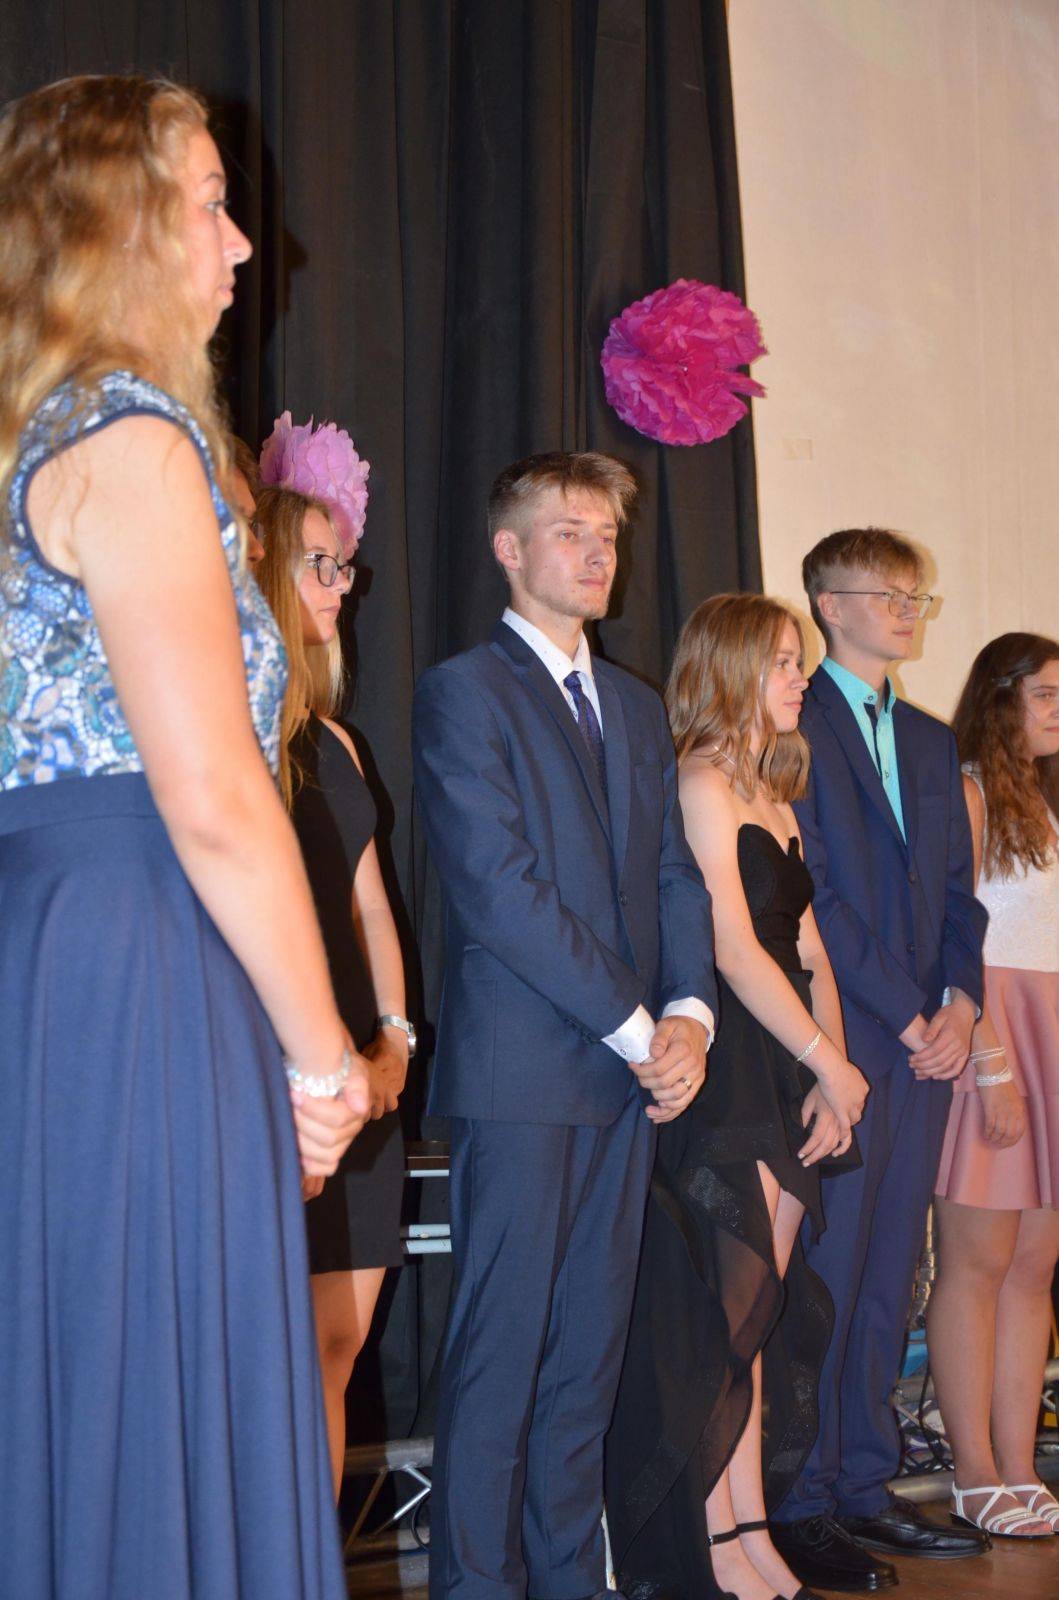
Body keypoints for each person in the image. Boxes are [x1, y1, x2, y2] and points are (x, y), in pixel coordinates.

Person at [0, 75, 370, 1599]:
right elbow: (214, 798)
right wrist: (326, 1061)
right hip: (144, 941)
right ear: (118, 224)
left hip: (58, 948)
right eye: (210, 202)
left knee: (94, 1377)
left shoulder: (34, 435)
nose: (244, 243)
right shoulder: (133, 436)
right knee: (158, 1378)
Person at [412, 451, 717, 1600]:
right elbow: (500, 893)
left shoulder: (634, 704)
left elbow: (675, 876)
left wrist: (690, 1015)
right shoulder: (463, 692)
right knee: (501, 1360)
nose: (596, 555)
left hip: (629, 1077)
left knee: (587, 1361)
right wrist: (640, 1029)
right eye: (569, 533)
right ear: (509, 549)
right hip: (526, 1076)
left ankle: (568, 1579)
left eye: (607, 537)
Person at [607, 594, 868, 1600]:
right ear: (729, 669)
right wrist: (823, 1060)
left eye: (798, 661)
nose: (799, 679)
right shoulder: (700, 780)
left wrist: (834, 1076)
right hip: (733, 1065)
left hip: (788, 1061)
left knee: (759, 1321)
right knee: (729, 1317)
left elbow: (811, 949)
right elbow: (728, 946)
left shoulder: (773, 792)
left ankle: (750, 1531)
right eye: (783, 662)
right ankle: (706, 1545)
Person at [769, 529, 989, 1591]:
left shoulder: (934, 741)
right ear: (828, 604)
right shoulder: (794, 720)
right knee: (828, 1271)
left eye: (915, 595)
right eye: (888, 593)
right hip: (844, 1041)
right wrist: (905, 1015)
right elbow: (811, 895)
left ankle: (865, 1482)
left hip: (924, 1048)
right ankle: (800, 1498)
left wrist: (961, 1005)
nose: (906, 609)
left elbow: (958, 897)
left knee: (892, 1270)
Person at [255, 462, 410, 1501]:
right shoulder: (221, 730)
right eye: (322, 563)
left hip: (360, 1076)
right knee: (267, 1362)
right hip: (273, 1079)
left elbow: (372, 912)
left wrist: (395, 1038)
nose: (341, 584)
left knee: (337, 1348)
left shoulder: (338, 742)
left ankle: (312, 1563)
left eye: (344, 566)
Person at [928, 632, 1059, 1537]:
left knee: (1034, 1264)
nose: (1058, 712)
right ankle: (970, 1471)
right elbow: (952, 941)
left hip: (1050, 1031)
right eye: (1044, 694)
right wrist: (991, 1065)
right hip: (997, 1037)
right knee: (976, 1262)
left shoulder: (1045, 800)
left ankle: (1018, 1465)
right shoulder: (967, 790)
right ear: (999, 695)